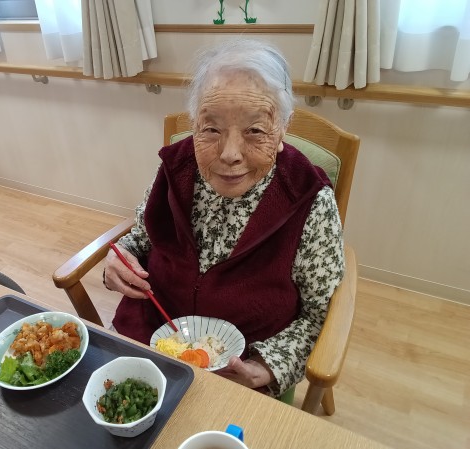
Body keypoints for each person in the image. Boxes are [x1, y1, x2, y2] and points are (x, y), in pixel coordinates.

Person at [102, 38, 344, 398]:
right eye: (211, 129)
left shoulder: (309, 197)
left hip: (239, 372)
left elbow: (320, 315)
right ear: (195, 123)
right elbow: (142, 236)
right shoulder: (175, 167)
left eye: (255, 130)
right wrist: (119, 258)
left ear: (283, 127)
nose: (230, 154)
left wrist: (267, 367)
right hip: (152, 342)